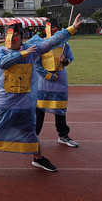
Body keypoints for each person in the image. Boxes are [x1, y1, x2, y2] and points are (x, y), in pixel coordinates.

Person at [0, 15, 83, 175]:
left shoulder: (32, 50)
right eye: (9, 35)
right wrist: (23, 54)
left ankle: (38, 158)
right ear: (4, 37)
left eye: (15, 35)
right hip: (2, 104)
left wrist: (71, 29)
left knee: (30, 132)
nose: (12, 39)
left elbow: (52, 41)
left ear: (21, 37)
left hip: (25, 105)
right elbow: (3, 63)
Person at [34, 19, 78, 147]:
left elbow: (70, 59)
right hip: (43, 82)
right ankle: (33, 136)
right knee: (39, 110)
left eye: (57, 27)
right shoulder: (40, 44)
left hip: (59, 80)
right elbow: (36, 64)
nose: (55, 30)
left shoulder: (64, 45)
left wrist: (65, 61)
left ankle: (63, 135)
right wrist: (48, 75)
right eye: (52, 27)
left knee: (60, 109)